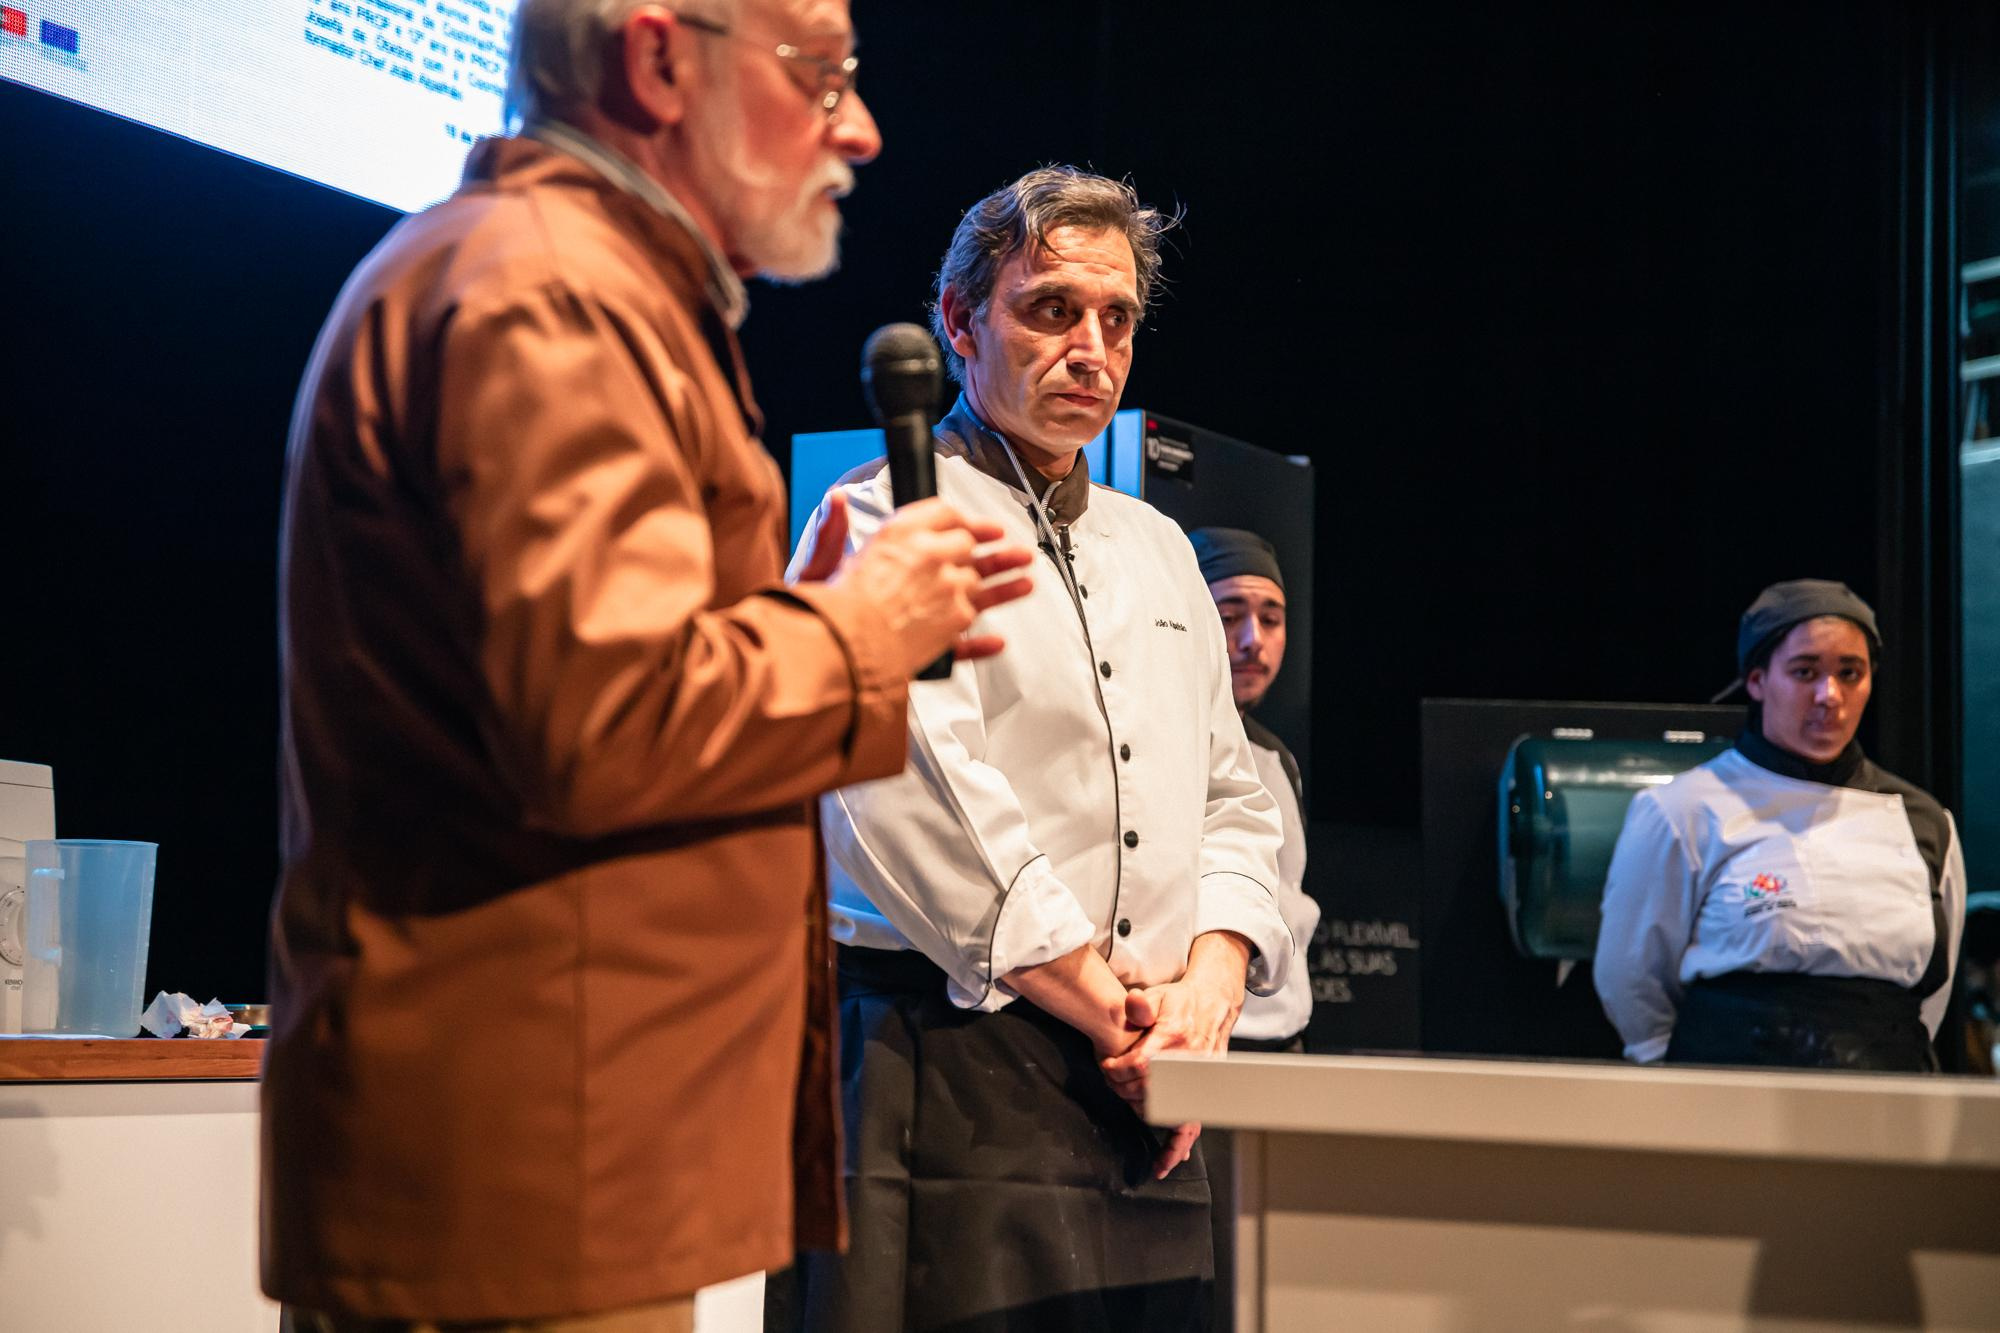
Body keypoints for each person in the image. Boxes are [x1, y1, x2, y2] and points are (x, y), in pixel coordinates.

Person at [262, 2, 1035, 1329]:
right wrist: (858, 627)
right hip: (521, 1186)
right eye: (820, 74)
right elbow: (606, 718)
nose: (858, 126)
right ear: (661, 58)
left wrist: (832, 623)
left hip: (547, 1166)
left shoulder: (565, 278)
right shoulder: (549, 289)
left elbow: (597, 686)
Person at [779, 166, 1292, 1333]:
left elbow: (1232, 797)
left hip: (1151, 1083)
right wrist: (1119, 1017)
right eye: (1049, 309)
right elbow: (911, 797)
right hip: (948, 1062)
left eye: (1114, 320)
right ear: (959, 323)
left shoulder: (1162, 549)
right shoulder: (880, 518)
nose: (1090, 348)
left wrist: (1204, 1002)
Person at [1595, 579, 1967, 1071]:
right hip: (1727, 1092)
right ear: (1757, 681)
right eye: (1805, 671)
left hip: (1889, 1098)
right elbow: (1631, 977)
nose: (1828, 695)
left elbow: (1932, 994)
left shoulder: (1925, 821)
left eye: (1849, 673)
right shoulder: (1683, 809)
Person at [1187, 527, 1317, 1053]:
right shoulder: (1161, 745)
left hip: (1284, 1036)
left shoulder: (1276, 757)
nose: (1252, 641)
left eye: (1270, 619)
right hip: (1206, 1036)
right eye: (1228, 615)